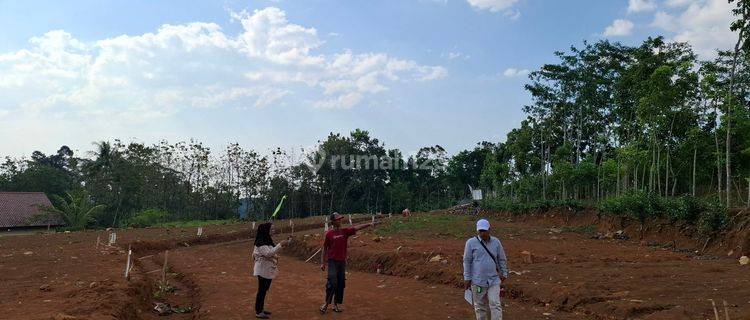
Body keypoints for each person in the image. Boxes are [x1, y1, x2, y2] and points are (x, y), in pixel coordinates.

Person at [319, 212, 375, 314]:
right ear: (333, 221)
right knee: (333, 282)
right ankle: (326, 304)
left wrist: (369, 224)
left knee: (340, 284)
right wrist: (322, 262)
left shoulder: (345, 231)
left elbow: (357, 228)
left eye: (340, 219)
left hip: (341, 262)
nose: (340, 220)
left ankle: (335, 304)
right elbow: (325, 248)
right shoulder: (329, 234)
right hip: (332, 262)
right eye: (338, 219)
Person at [463, 219, 509, 320]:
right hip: (477, 281)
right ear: (477, 231)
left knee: (495, 304)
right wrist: (467, 277)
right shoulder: (470, 243)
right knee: (480, 307)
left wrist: (504, 272)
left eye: (484, 230)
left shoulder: (496, 242)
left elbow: (502, 258)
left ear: (489, 229)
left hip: (494, 280)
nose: (482, 233)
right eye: (480, 231)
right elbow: (467, 261)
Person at [252, 222, 291, 319]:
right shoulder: (261, 243)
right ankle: (258, 311)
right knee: (262, 290)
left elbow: (273, 251)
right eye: (271, 229)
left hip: (266, 269)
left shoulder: (266, 240)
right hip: (262, 269)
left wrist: (285, 243)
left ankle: (261, 309)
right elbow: (269, 253)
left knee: (264, 290)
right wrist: (280, 244)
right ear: (266, 231)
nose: (274, 231)